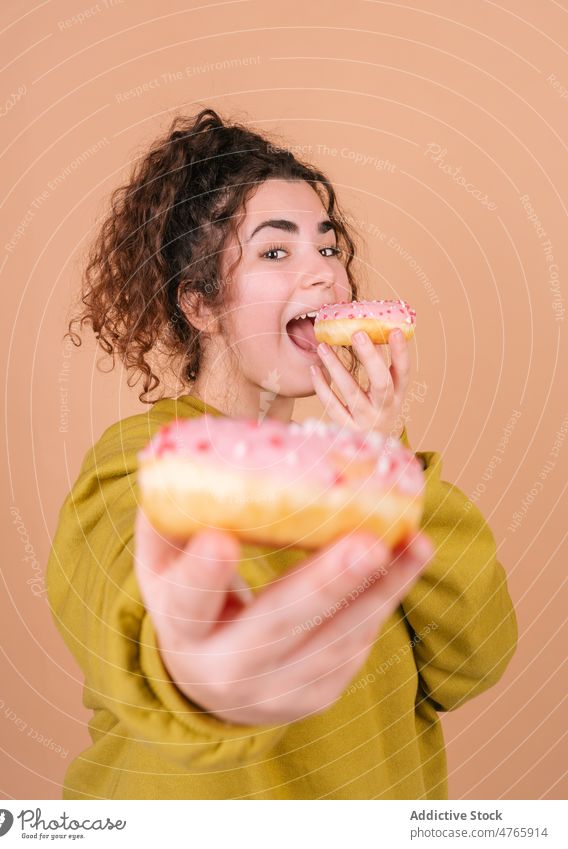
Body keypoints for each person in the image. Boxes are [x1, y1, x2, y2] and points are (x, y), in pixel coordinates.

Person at [46, 107, 517, 800]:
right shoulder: (144, 464)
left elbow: (473, 659)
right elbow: (142, 633)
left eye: (329, 248)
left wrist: (382, 463)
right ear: (202, 306)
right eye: (276, 251)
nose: (325, 275)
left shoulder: (371, 470)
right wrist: (202, 678)